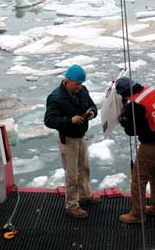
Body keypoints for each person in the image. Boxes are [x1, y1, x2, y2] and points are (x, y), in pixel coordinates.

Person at [115, 77, 155, 224]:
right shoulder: (151, 90)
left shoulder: (134, 106)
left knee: (139, 179)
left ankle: (137, 214)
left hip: (153, 144)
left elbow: (131, 131)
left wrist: (123, 119)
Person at [44, 64, 101, 218]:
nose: (79, 87)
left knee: (84, 168)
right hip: (68, 139)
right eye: (77, 84)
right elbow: (49, 120)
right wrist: (70, 120)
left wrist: (91, 113)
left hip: (81, 136)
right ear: (68, 81)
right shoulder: (56, 97)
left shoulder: (82, 91)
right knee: (72, 174)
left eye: (80, 84)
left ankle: (84, 196)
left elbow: (92, 106)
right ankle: (71, 205)